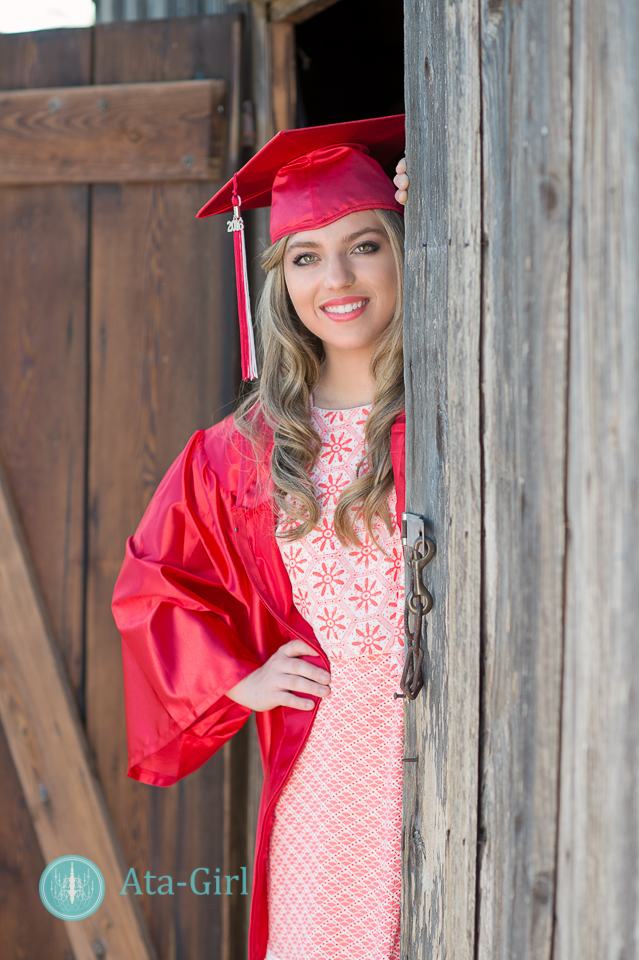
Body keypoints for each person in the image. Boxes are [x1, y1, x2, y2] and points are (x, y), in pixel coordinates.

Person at [112, 116, 410, 960]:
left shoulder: (457, 406)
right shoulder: (240, 453)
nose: (337, 279)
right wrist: (237, 677)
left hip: (468, 738)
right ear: (279, 281)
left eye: (364, 245)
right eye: (307, 257)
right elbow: (152, 586)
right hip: (334, 764)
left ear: (403, 249)